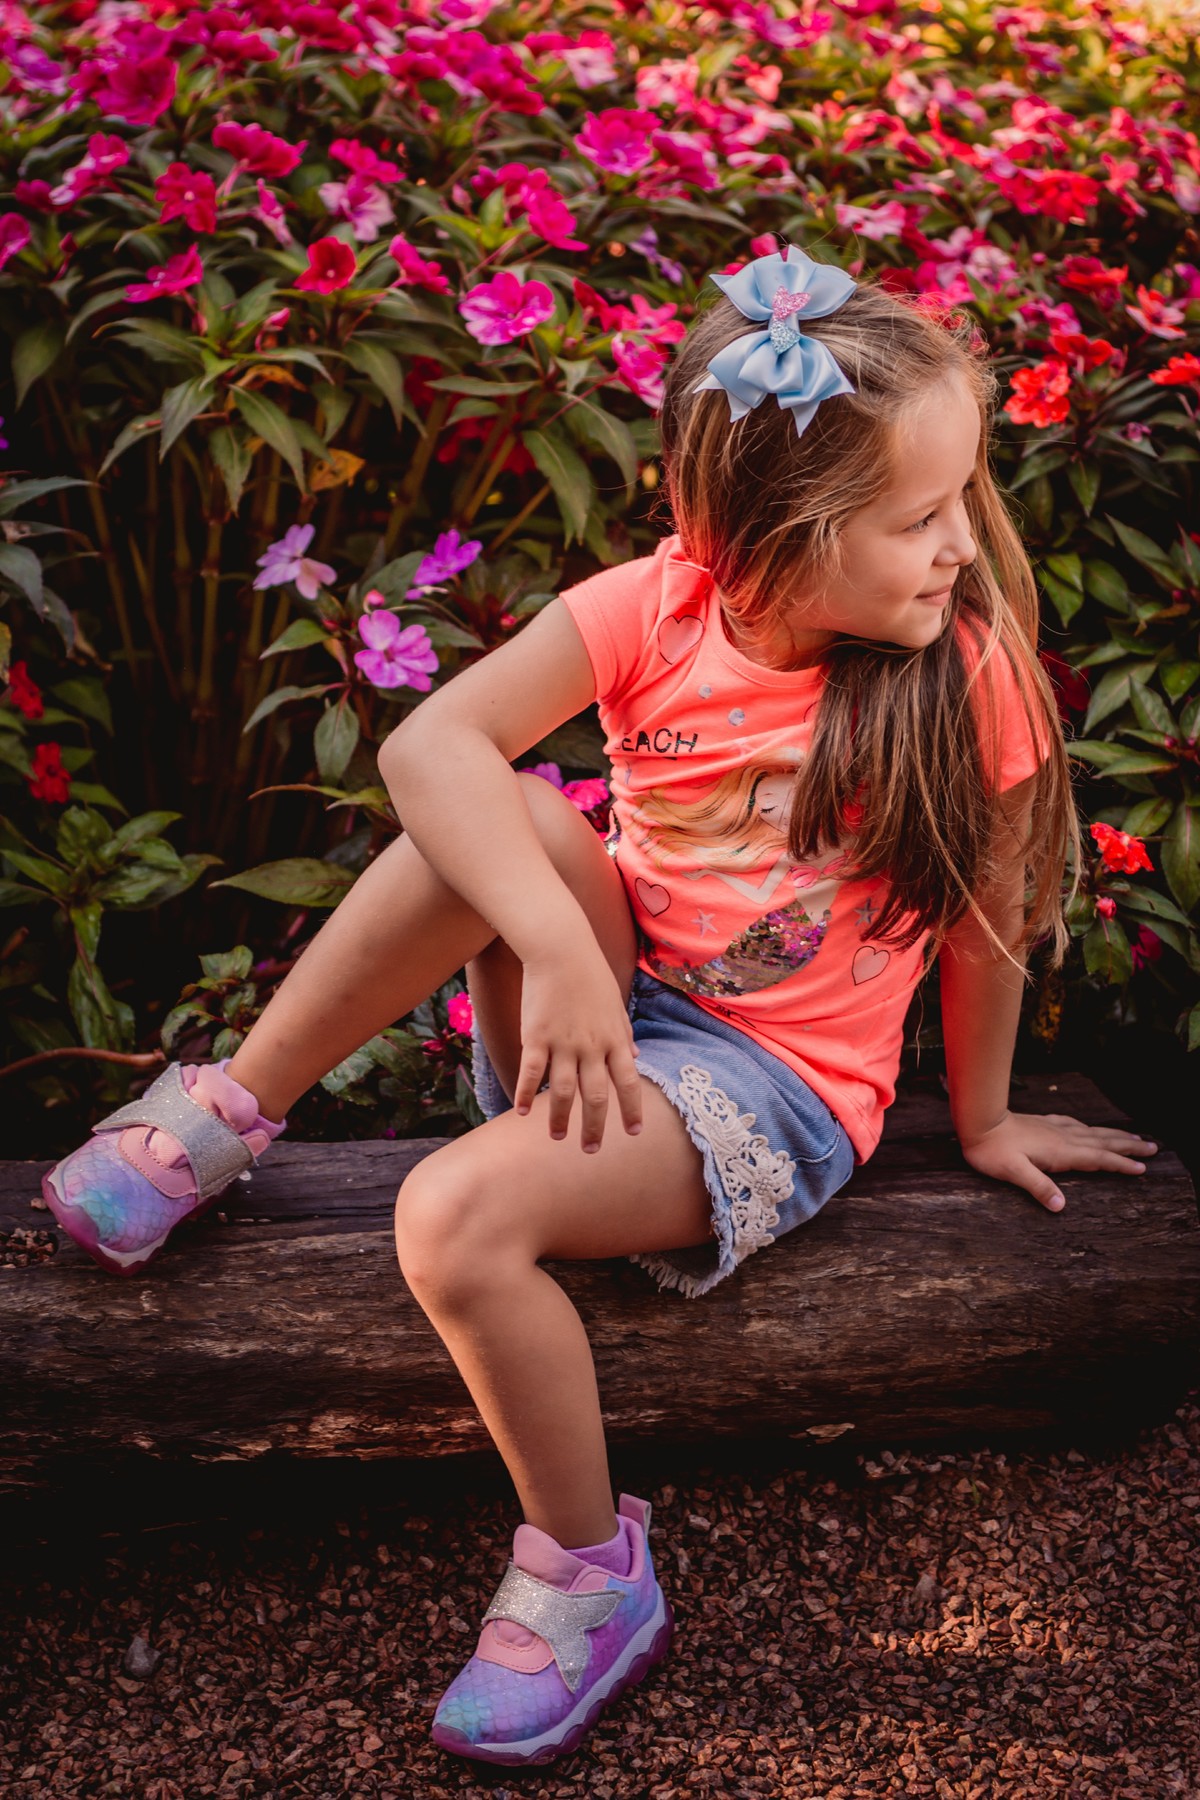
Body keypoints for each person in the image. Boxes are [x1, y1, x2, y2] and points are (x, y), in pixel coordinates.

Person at [41, 244, 1160, 1767]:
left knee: (449, 1221)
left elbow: (989, 917)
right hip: (606, 1008)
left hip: (767, 1094)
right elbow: (428, 746)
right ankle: (233, 1108)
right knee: (489, 803)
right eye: (917, 517)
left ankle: (589, 1572)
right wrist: (567, 957)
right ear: (759, 540)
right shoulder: (656, 605)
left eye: (961, 501)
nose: (961, 543)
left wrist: (977, 1118)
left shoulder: (960, 681)